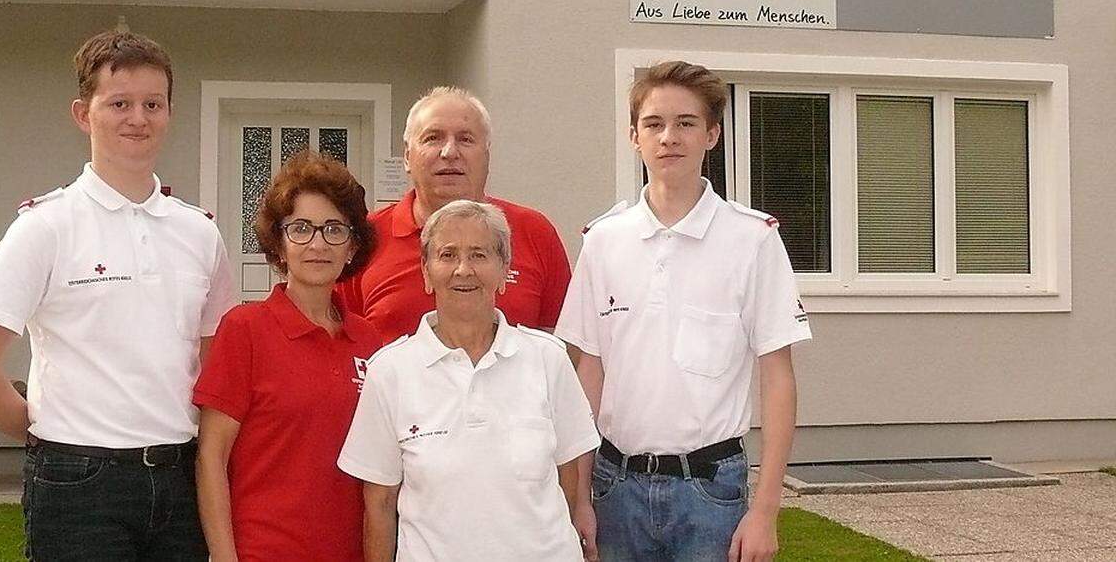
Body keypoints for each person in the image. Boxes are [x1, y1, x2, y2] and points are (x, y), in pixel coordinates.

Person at [0, 29, 237, 559]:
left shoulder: (199, 233)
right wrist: (40, 431)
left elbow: (216, 365)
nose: (138, 118)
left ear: (170, 112)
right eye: (119, 103)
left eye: (153, 103)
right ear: (84, 113)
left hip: (179, 478)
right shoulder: (46, 227)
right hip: (79, 485)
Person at [557, 61, 812, 562]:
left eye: (686, 123)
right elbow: (589, 371)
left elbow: (778, 376)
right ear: (634, 136)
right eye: (653, 124)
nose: (668, 137)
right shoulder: (603, 242)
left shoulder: (753, 239)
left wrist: (765, 511)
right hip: (615, 488)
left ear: (712, 135)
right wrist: (580, 497)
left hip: (711, 494)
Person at [337, 200, 600, 562]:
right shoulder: (390, 372)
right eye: (447, 255)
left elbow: (569, 479)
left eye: (479, 255)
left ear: (503, 269)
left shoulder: (547, 359)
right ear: (427, 273)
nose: (463, 269)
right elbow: (380, 504)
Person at [193, 151, 384, 561]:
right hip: (263, 551)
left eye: (334, 229)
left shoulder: (370, 341)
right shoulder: (244, 330)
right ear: (279, 244)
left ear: (352, 246)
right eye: (301, 229)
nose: (318, 243)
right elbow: (211, 457)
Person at [340, 86, 571, 341]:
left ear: (487, 155)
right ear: (407, 157)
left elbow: (563, 345)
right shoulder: (362, 238)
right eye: (433, 138)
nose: (450, 152)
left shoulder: (535, 233)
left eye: (465, 139)